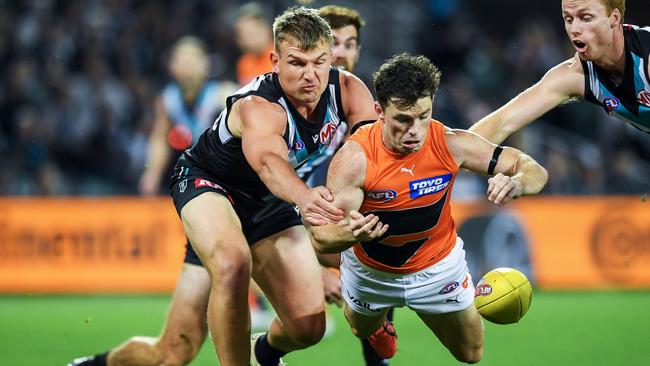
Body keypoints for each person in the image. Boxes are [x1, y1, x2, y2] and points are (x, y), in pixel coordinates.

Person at [67, 6, 377, 366]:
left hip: (268, 203)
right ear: (275, 61)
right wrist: (306, 198)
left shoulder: (349, 90)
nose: (310, 75)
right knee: (231, 264)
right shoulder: (259, 106)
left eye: (319, 62)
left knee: (306, 327)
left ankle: (264, 354)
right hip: (210, 189)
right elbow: (269, 164)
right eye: (297, 63)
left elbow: (371, 151)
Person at [307, 54, 548, 362]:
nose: (415, 131)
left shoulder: (450, 143)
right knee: (361, 329)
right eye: (403, 120)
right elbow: (321, 238)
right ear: (379, 111)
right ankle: (380, 326)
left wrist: (518, 182)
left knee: (471, 354)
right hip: (371, 272)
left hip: (437, 266)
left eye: (423, 116)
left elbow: (532, 169)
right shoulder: (355, 159)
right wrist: (350, 233)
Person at [469, 0, 649, 144]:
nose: (574, 30)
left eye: (586, 18)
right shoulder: (575, 75)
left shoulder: (645, 56)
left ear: (614, 18)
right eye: (568, 19)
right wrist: (445, 155)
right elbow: (504, 121)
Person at [234, 2, 275, 86]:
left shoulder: (283, 57)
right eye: (242, 35)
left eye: (251, 34)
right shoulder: (243, 63)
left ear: (266, 29)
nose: (247, 41)